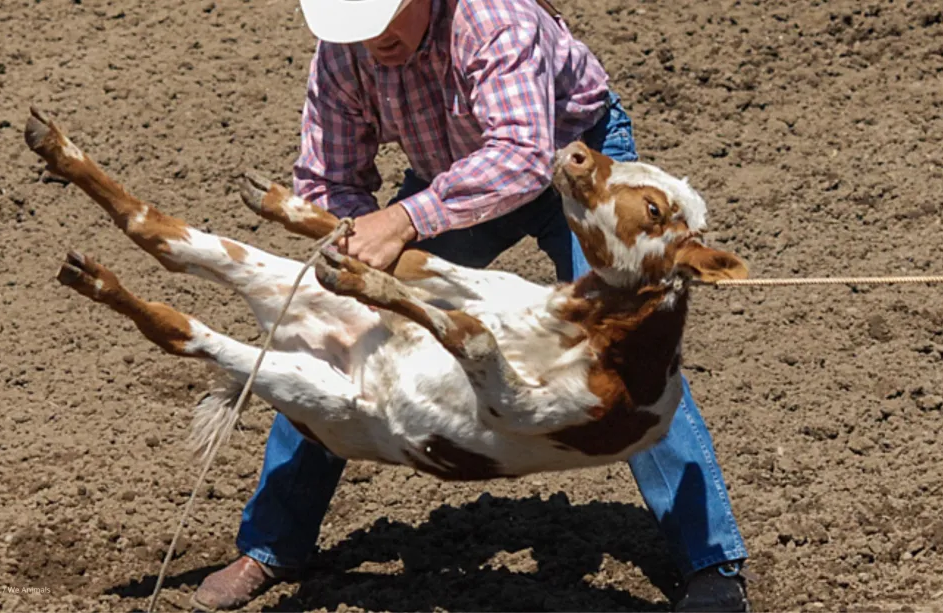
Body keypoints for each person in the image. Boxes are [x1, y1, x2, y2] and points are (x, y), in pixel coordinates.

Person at [192, 0, 752, 611]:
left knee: (627, 355)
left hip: (576, 166)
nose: (372, 37)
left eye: (384, 17)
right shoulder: (343, 55)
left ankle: (712, 561)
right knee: (345, 323)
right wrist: (354, 238)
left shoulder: (491, 18)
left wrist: (404, 219)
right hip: (453, 179)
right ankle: (272, 543)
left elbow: (521, 156)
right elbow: (328, 174)